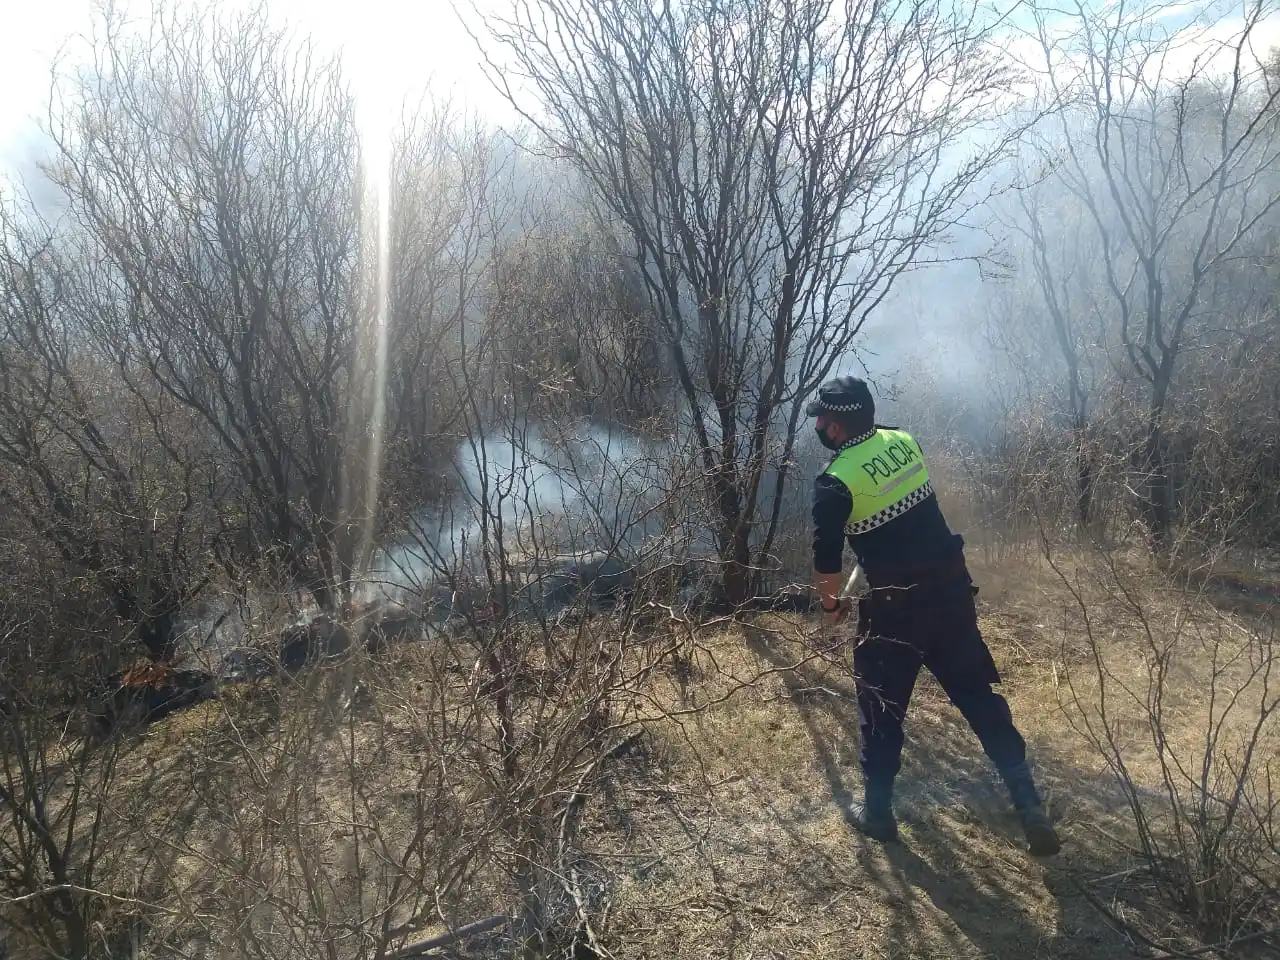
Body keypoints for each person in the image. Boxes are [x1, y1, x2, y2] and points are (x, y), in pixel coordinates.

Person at [807, 375, 1061, 857]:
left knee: (882, 708)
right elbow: (902, 518)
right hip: (950, 593)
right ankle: (1030, 806)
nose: (817, 426)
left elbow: (825, 559)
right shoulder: (903, 441)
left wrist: (829, 604)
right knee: (978, 698)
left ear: (837, 427)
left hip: (895, 611)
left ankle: (878, 814)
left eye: (822, 418)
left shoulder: (835, 482)